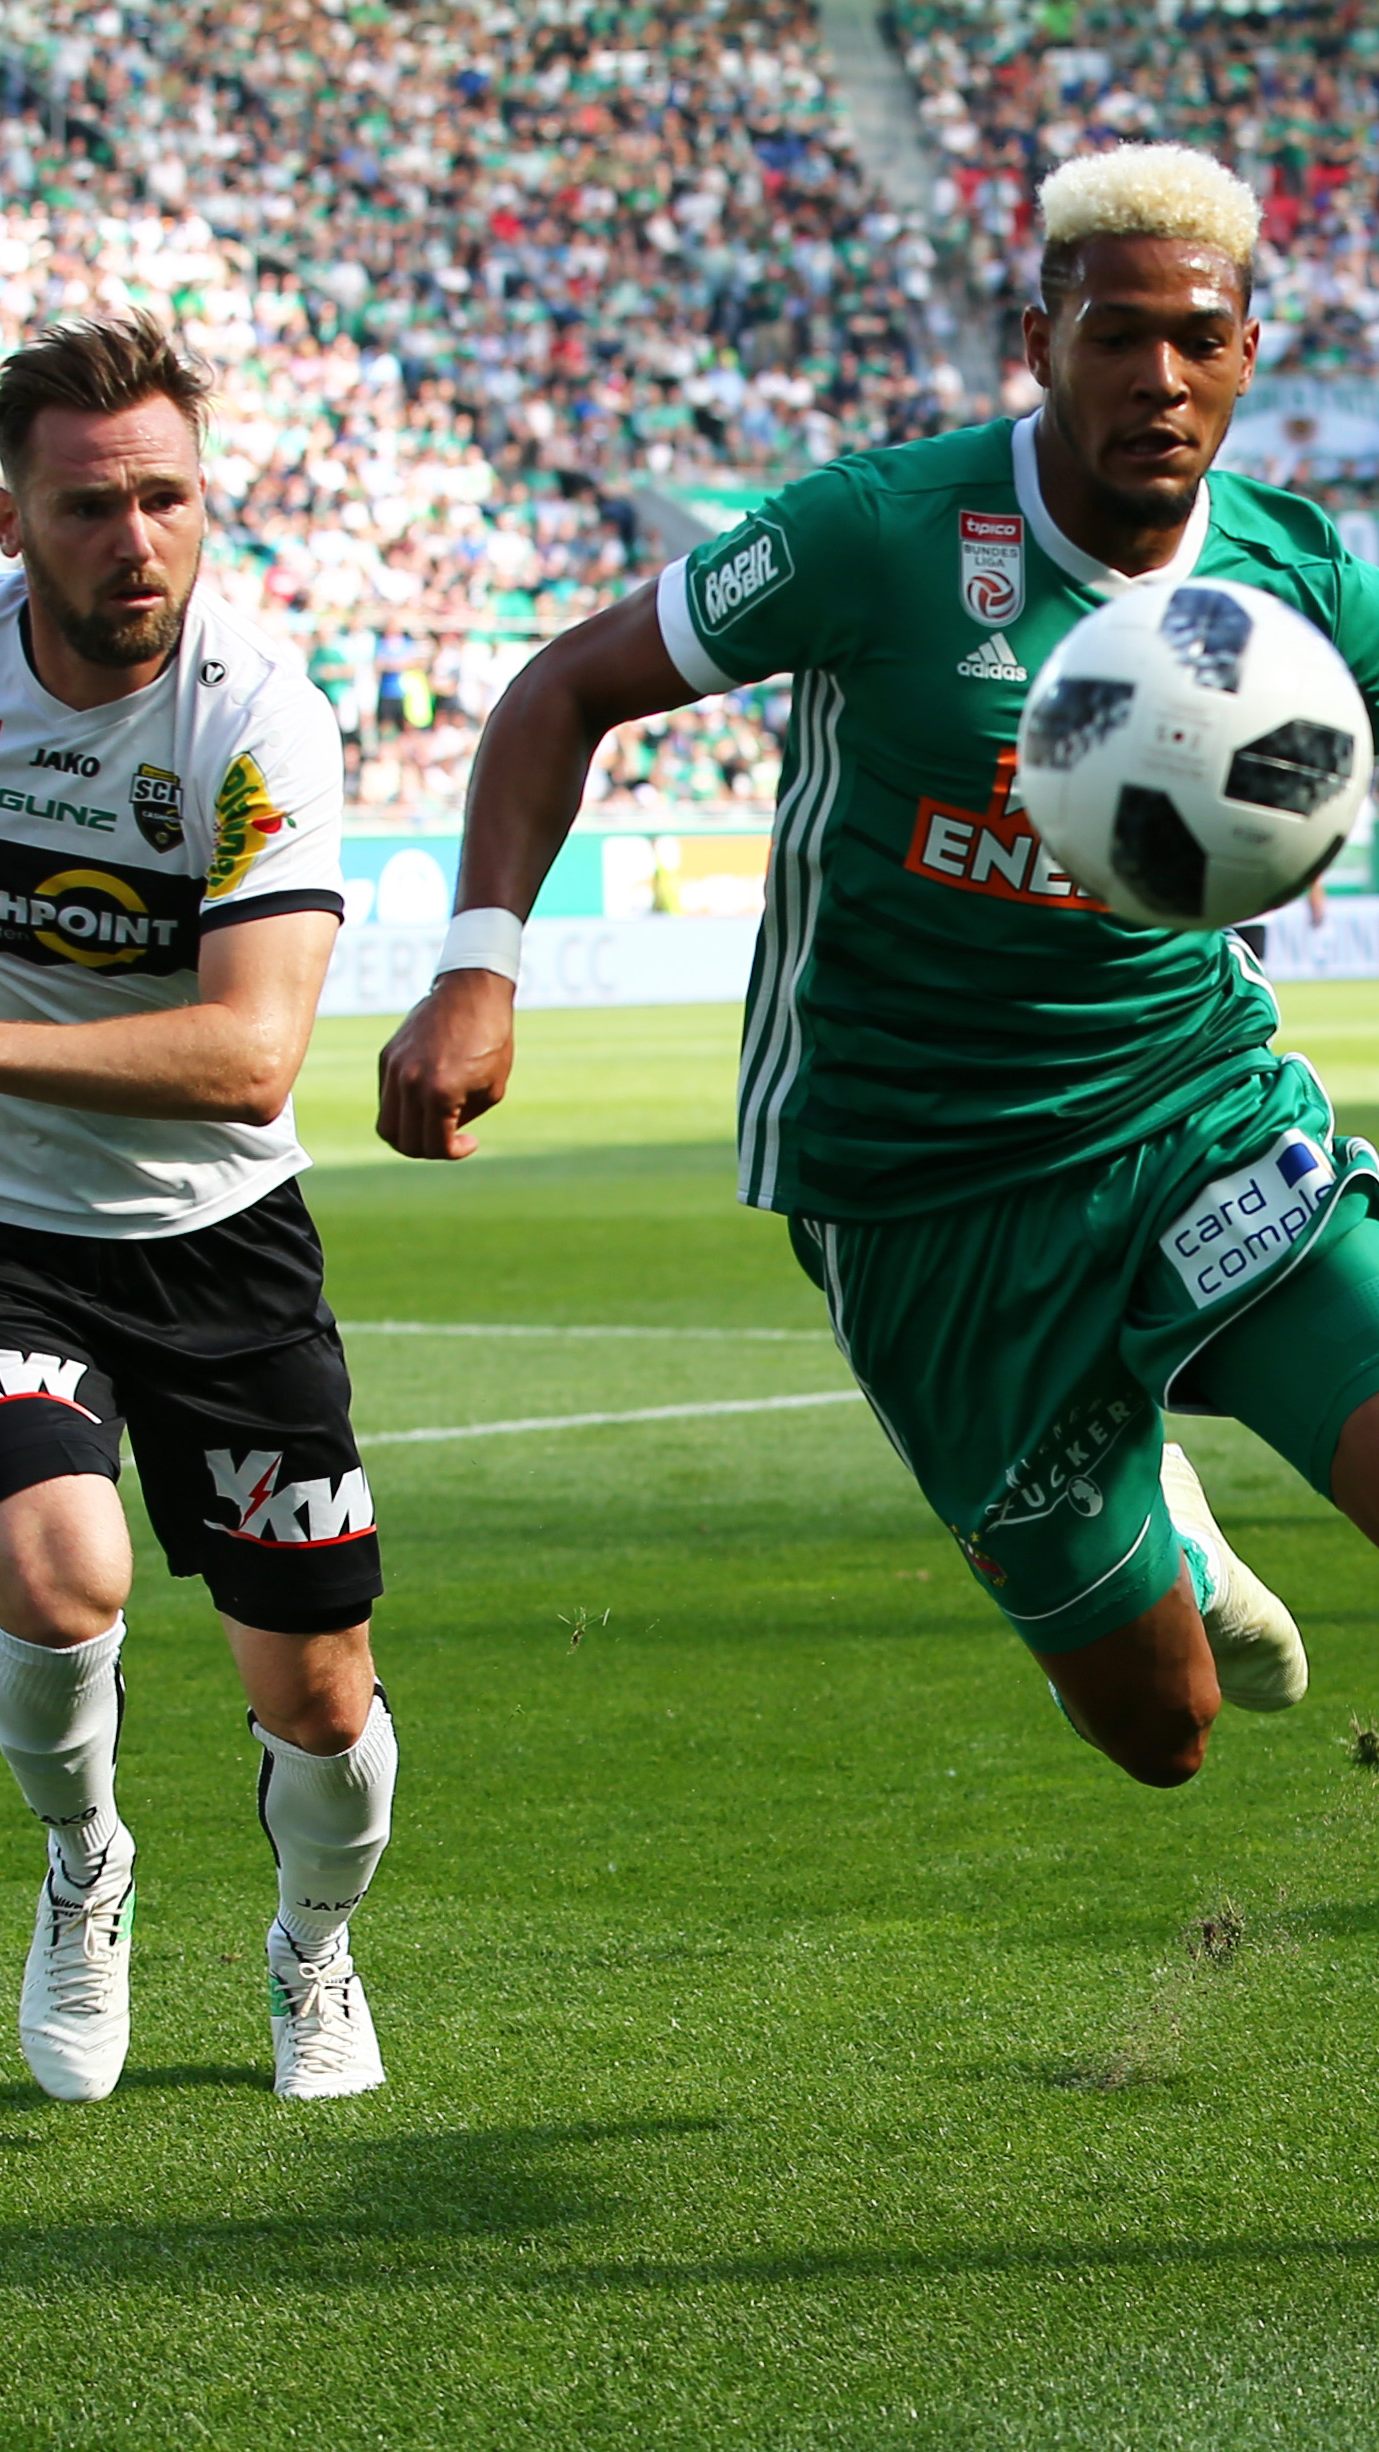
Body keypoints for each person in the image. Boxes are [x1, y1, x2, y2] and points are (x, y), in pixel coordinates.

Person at [378, 145, 1379, 1796]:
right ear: (1040, 333)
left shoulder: (1289, 572)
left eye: (1199, 338)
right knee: (1169, 1732)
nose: (1159, 378)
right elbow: (562, 687)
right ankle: (1168, 1534)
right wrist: (480, 968)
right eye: (1114, 334)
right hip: (916, 1189)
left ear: (1252, 345)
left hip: (1194, 1103)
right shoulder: (884, 532)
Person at [0, 311, 396, 2103]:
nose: (135, 539)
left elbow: (251, 1055)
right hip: (13, 1233)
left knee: (317, 1703)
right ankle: (86, 1866)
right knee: (51, 1570)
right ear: (14, 516)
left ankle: (311, 1944)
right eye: (90, 505)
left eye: (167, 498)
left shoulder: (255, 717)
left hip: (223, 1245)